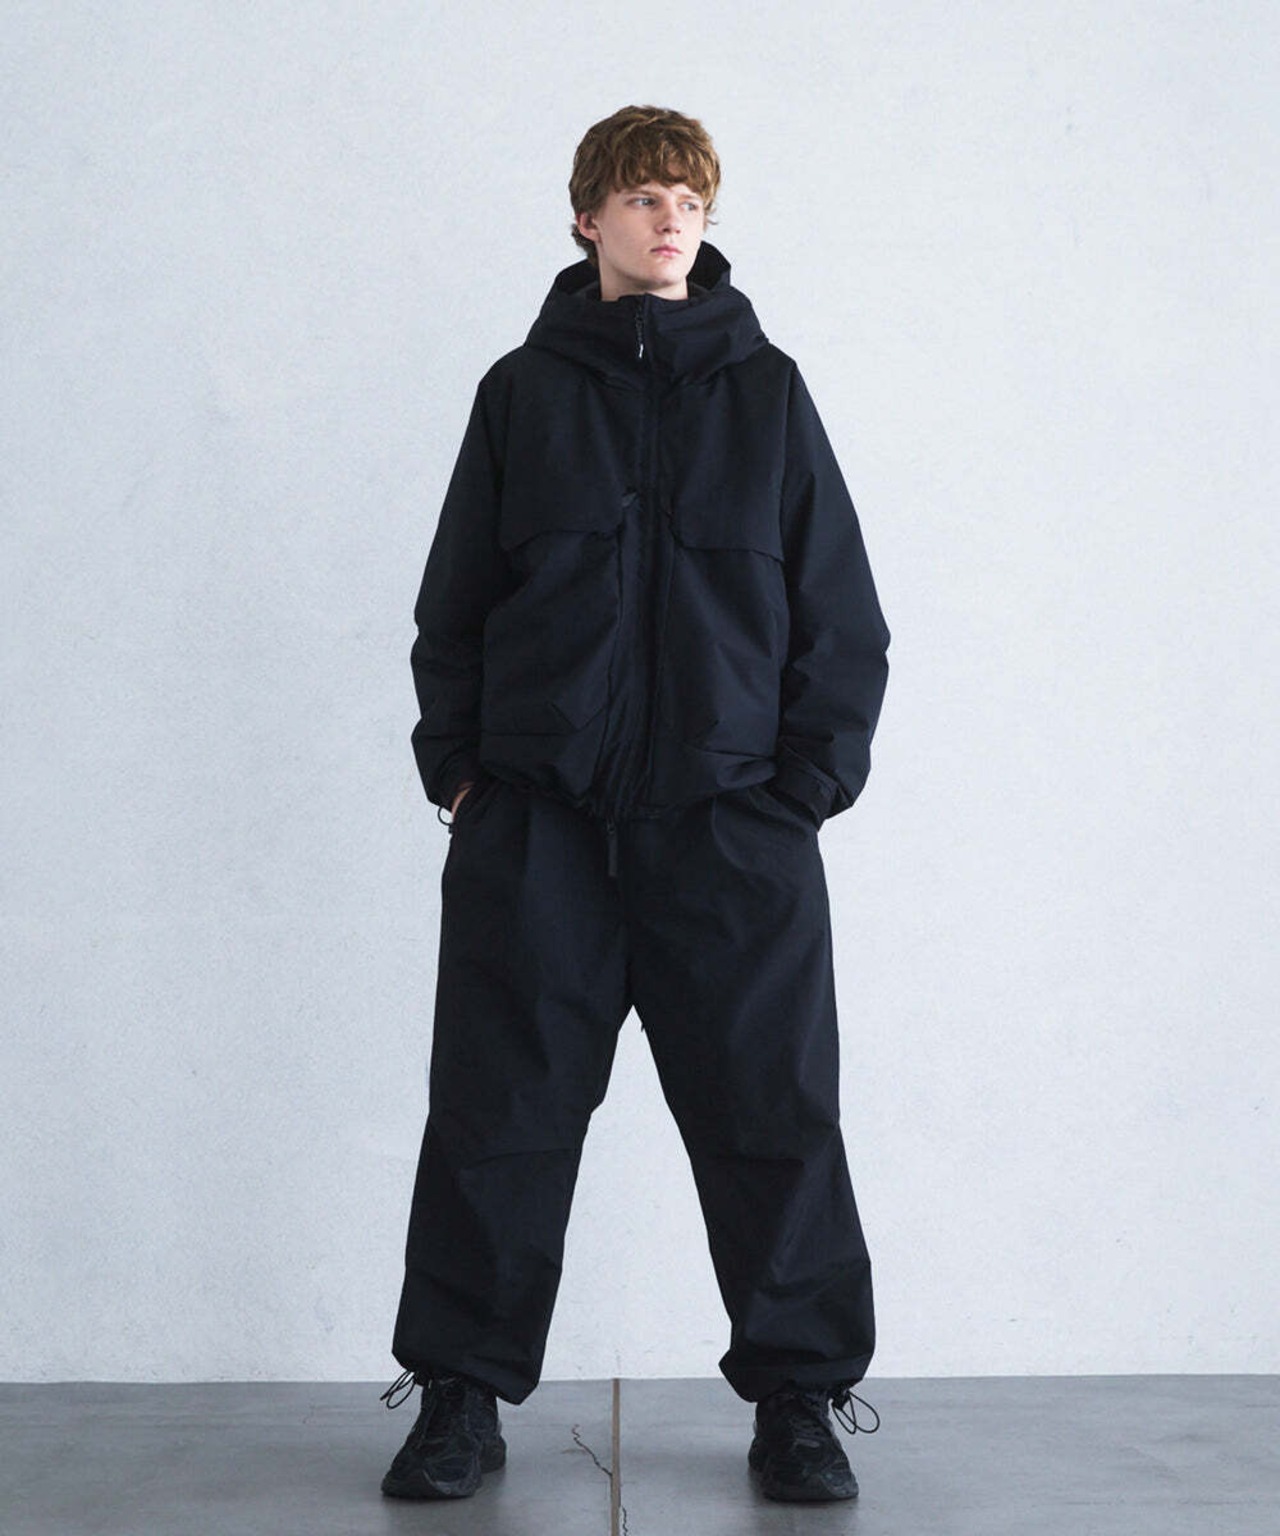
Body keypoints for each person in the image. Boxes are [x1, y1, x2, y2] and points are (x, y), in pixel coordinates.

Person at [380, 104, 891, 1505]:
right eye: (645, 197)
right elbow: (454, 608)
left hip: (731, 831)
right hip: (539, 828)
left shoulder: (767, 393)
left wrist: (802, 791)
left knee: (771, 1115)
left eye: (690, 202)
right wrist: (464, 774)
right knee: (495, 1117)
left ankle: (798, 1401)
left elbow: (841, 616)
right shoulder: (522, 393)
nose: (671, 221)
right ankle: (459, 1399)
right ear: (588, 218)